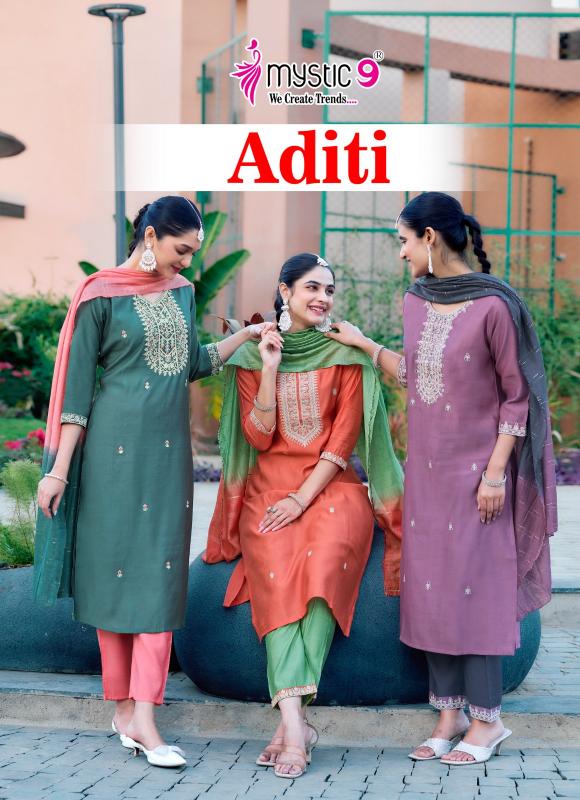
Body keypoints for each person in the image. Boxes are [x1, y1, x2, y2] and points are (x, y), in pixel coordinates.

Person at [34, 195, 272, 768]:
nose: (187, 262)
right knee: (113, 577)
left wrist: (245, 340)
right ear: (150, 236)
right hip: (110, 459)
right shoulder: (100, 295)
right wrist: (59, 470)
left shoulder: (182, 292)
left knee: (159, 577)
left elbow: (191, 363)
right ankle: (125, 710)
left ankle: (144, 715)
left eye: (193, 253)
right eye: (180, 249)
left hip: (166, 460)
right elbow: (75, 397)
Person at [327, 192, 557, 765]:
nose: (401, 253)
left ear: (429, 237)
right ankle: (449, 713)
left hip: (480, 477)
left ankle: (488, 721)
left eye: (404, 241)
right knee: (431, 589)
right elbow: (413, 373)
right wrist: (363, 343)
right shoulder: (416, 301)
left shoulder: (494, 306)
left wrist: (496, 475)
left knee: (479, 592)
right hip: (427, 476)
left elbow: (517, 398)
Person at [204, 253, 403, 779]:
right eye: (312, 287)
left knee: (324, 564)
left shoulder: (347, 353)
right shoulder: (252, 358)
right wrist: (269, 367)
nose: (322, 298)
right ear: (285, 290)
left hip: (332, 485)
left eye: (329, 290)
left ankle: (290, 727)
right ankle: (296, 726)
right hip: (268, 486)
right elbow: (257, 438)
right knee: (273, 569)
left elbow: (342, 442)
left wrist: (301, 499)